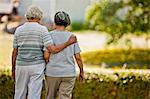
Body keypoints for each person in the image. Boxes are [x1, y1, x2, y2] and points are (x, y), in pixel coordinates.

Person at [12, 6, 77, 99]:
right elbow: (52, 50)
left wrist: (13, 68)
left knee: (19, 93)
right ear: (39, 17)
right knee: (34, 95)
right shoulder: (42, 30)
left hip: (21, 65)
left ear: (27, 16)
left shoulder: (19, 30)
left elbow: (15, 52)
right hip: (37, 66)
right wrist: (68, 43)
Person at [44, 11, 84, 99]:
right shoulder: (72, 37)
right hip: (68, 73)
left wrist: (49, 65)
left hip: (52, 72)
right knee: (65, 97)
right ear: (67, 23)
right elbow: (78, 58)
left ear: (55, 22)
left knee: (50, 96)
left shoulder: (49, 35)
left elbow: (46, 56)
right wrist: (81, 71)